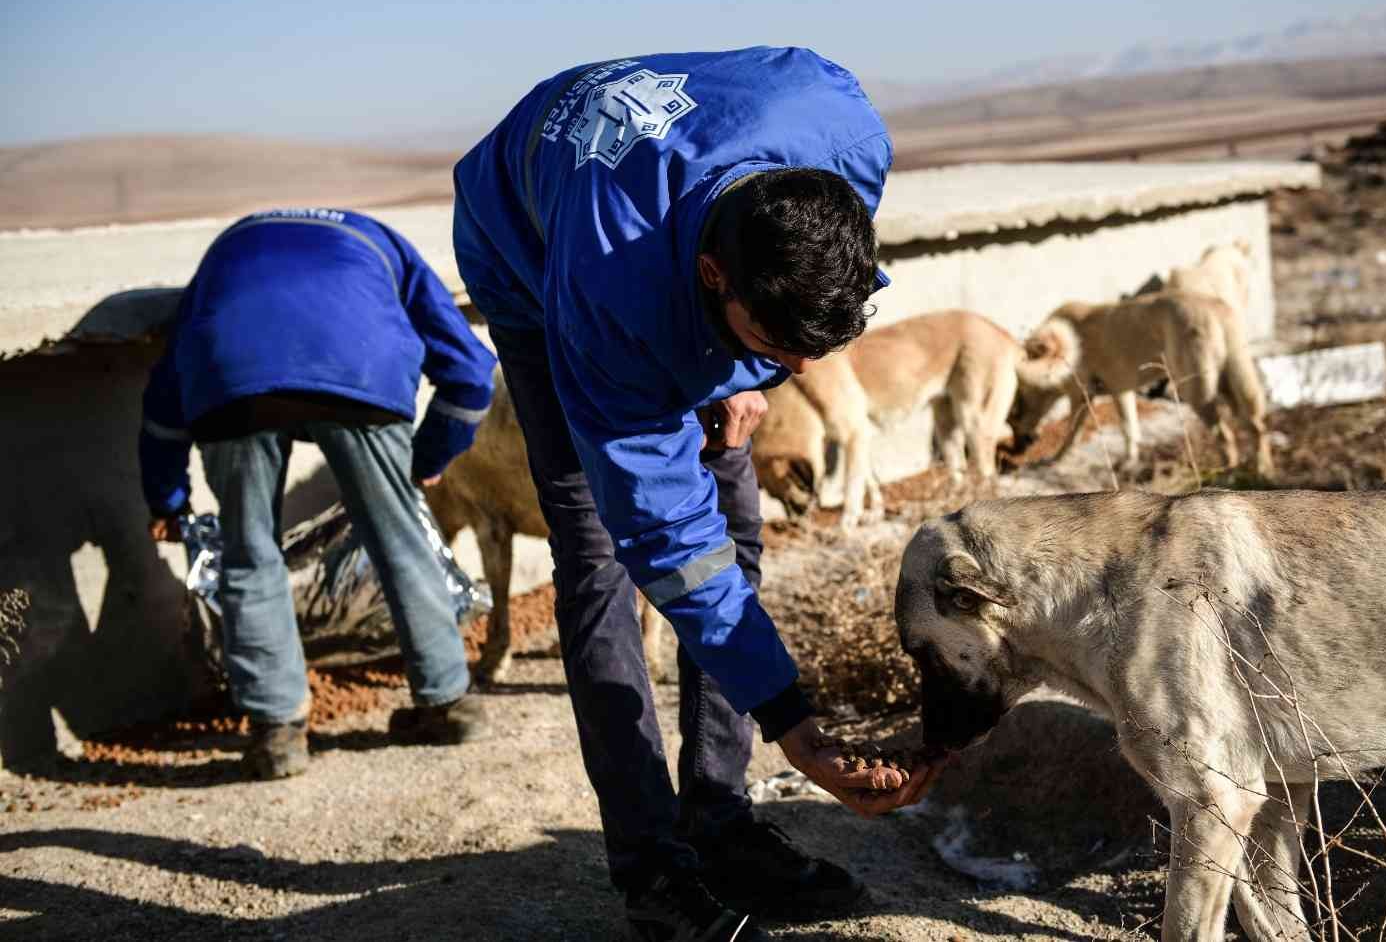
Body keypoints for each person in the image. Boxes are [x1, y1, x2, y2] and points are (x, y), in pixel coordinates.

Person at [453, 47, 943, 942]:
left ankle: (721, 820)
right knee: (602, 551)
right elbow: (669, 539)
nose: (794, 375)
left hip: (690, 221)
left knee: (737, 518)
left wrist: (750, 366)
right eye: (774, 347)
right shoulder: (605, 301)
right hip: (526, 246)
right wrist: (798, 726)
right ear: (717, 279)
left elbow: (776, 343)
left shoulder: (843, 132)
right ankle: (654, 871)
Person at [140, 207, 498, 780]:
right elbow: (472, 373)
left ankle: (277, 734)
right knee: (402, 540)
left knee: (248, 555)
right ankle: (450, 704)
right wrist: (428, 459)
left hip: (233, 382)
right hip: (359, 374)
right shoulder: (381, 243)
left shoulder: (228, 251)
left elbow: (164, 402)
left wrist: (166, 500)